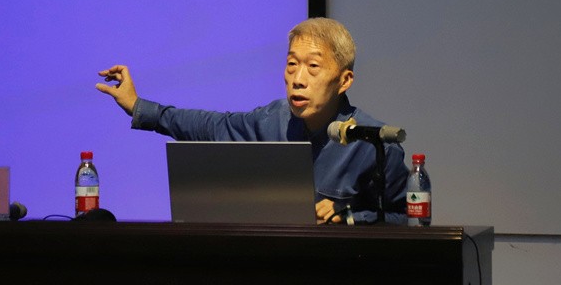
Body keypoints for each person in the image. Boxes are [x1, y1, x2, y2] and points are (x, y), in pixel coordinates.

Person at [96, 17, 407, 224]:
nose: (298, 79)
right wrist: (138, 106)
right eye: (291, 64)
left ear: (344, 80)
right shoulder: (272, 121)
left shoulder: (372, 144)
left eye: (313, 67)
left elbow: (409, 218)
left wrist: (352, 217)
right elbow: (208, 126)